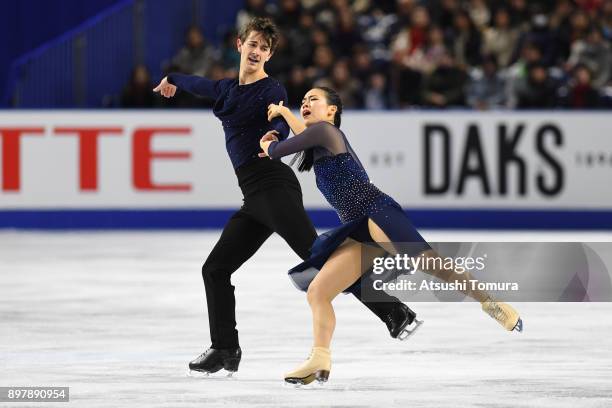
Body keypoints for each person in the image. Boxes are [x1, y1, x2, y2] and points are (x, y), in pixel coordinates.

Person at [152, 18, 419, 376]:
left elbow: (277, 118)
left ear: (269, 54)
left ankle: (394, 311)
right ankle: (225, 349)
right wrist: (172, 79)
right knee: (215, 268)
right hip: (254, 196)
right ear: (239, 45)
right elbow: (197, 83)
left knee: (319, 258)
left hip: (274, 186)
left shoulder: (271, 89)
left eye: (264, 47)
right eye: (253, 44)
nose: (257, 51)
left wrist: (273, 137)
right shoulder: (226, 89)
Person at [260, 87, 523, 385]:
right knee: (318, 293)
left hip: (376, 212)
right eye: (303, 101)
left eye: (313, 100)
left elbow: (281, 150)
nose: (305, 104)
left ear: (332, 110)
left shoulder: (324, 132)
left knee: (432, 265)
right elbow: (300, 134)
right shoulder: (318, 139)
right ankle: (319, 359)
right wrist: (284, 114)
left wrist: (269, 144)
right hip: (357, 228)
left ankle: (492, 303)